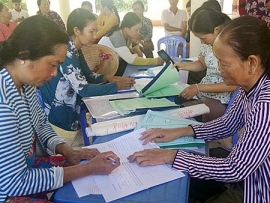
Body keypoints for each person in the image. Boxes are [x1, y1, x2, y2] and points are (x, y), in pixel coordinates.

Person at [128, 15, 270, 203]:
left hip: (257, 188)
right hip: (247, 177)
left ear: (251, 63)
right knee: (185, 179)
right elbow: (227, 124)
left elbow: (235, 169)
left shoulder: (265, 104)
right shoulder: (249, 88)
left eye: (224, 63)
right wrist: (181, 131)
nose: (218, 69)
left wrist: (170, 155)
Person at [0, 15, 120, 203]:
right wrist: (88, 169)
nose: (55, 73)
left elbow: (40, 124)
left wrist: (66, 150)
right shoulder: (3, 104)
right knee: (84, 171)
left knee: (80, 163)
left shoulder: (26, 84)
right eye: (53, 64)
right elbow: (14, 182)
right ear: (24, 55)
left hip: (22, 171)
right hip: (8, 190)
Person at [39, 8, 135, 131]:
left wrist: (107, 78)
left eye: (96, 31)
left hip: (70, 103)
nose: (95, 36)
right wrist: (116, 87)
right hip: (59, 111)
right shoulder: (67, 52)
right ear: (77, 31)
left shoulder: (76, 48)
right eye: (91, 31)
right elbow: (83, 89)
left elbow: (89, 76)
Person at [175, 8, 237, 119]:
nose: (202, 42)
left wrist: (199, 87)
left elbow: (233, 85)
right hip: (203, 92)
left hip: (222, 99)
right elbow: (202, 64)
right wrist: (183, 66)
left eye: (203, 38)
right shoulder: (207, 46)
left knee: (185, 113)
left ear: (216, 30)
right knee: (174, 103)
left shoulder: (231, 48)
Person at [99, 12, 163, 76]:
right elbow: (131, 60)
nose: (138, 33)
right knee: (136, 68)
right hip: (104, 70)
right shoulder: (117, 37)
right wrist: (155, 61)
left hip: (113, 63)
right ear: (126, 28)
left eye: (139, 30)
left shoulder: (125, 35)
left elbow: (124, 51)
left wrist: (134, 49)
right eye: (136, 30)